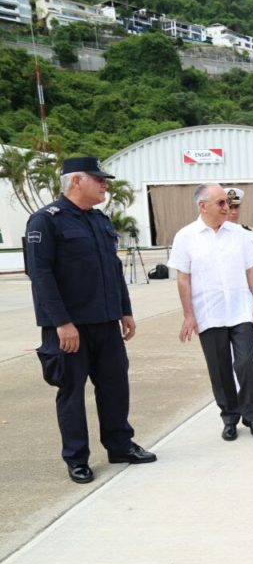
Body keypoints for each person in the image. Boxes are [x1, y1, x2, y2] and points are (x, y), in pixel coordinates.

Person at [25, 156, 156, 484]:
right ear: (76, 181)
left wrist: (125, 310)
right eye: (98, 179)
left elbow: (112, 269)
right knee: (71, 393)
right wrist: (61, 323)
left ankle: (119, 444)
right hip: (70, 327)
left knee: (115, 386)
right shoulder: (46, 221)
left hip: (106, 322)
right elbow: (41, 276)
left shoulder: (99, 221)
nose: (104, 185)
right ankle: (76, 458)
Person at [168, 183, 253, 441]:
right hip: (208, 312)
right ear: (203, 206)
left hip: (240, 309)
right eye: (221, 203)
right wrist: (188, 314)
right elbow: (183, 279)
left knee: (246, 361)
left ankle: (251, 415)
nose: (228, 208)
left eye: (227, 202)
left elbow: (250, 269)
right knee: (219, 368)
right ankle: (230, 417)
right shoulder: (186, 237)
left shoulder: (240, 235)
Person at [226, 188, 253, 402]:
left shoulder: (249, 234)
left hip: (246, 296)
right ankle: (235, 389)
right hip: (224, 299)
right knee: (228, 354)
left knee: (251, 347)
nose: (233, 212)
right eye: (229, 206)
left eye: (236, 207)